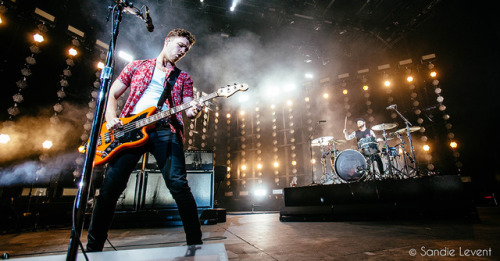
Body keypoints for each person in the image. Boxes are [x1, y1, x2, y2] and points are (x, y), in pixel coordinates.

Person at [86, 28, 204, 252]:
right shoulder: (137, 66)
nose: (182, 51)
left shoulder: (184, 77)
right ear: (167, 41)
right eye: (180, 45)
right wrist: (112, 118)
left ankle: (196, 245)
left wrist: (195, 109)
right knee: (111, 188)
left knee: (178, 185)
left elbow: (189, 111)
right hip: (129, 129)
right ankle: (93, 249)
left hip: (165, 129)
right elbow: (113, 93)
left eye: (186, 50)